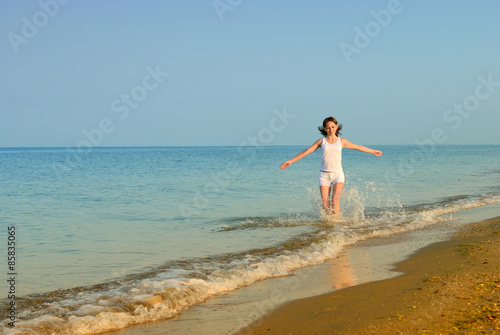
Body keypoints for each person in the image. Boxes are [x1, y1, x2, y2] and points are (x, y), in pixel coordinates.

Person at [280, 117, 382, 215]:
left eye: (333, 127)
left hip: (338, 175)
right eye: (328, 127)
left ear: (337, 126)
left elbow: (358, 147)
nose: (331, 129)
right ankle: (329, 226)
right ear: (324, 129)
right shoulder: (321, 142)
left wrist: (373, 151)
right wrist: (290, 161)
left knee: (334, 201)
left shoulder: (341, 141)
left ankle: (337, 225)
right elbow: (305, 152)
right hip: (324, 175)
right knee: (325, 204)